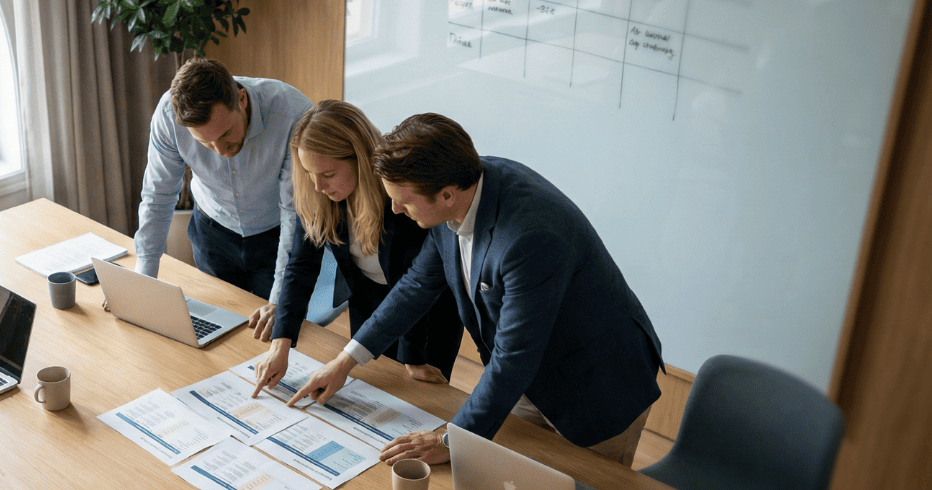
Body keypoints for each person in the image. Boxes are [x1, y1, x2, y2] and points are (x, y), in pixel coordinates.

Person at [291, 113, 663, 468]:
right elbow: (416, 286)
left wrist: (448, 441)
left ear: (448, 195)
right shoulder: (450, 185)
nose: (395, 209)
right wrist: (345, 361)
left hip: (596, 388)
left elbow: (513, 358)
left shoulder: (529, 238)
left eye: (402, 200)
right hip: (526, 381)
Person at [250, 101, 462, 396]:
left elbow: (416, 285)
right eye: (309, 173)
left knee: (417, 398)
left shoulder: (400, 196)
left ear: (359, 158)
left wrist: (413, 357)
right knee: (368, 387)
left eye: (328, 174)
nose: (318, 186)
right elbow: (300, 267)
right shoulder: (319, 193)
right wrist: (280, 345)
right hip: (367, 297)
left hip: (428, 313)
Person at [127, 58, 312, 335]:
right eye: (205, 142)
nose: (220, 150)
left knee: (273, 332)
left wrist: (278, 300)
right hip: (212, 233)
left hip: (275, 238)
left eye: (226, 134)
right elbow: (158, 195)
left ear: (241, 99)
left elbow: (293, 212)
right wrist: (144, 279)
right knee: (214, 333)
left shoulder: (292, 114)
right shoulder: (168, 116)